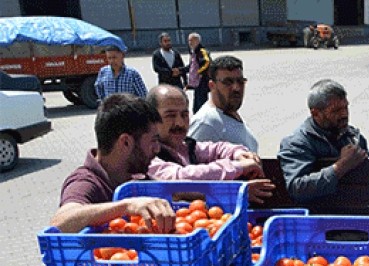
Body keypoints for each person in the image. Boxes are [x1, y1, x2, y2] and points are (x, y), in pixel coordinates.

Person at [50, 94, 174, 234]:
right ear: (125, 142)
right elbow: (59, 223)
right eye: (153, 140)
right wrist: (126, 206)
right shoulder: (85, 182)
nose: (157, 149)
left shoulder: (133, 174)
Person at [145, 85, 275, 204]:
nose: (179, 122)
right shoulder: (146, 156)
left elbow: (216, 148)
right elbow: (180, 178)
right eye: (170, 116)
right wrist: (237, 168)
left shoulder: (184, 147)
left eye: (184, 115)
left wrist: (240, 154)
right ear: (151, 118)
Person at [277, 79, 369, 203]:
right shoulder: (297, 143)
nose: (344, 114)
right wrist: (341, 166)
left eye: (345, 107)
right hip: (316, 216)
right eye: (336, 110)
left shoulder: (353, 137)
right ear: (315, 113)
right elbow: (297, 187)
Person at [188, 55, 258, 153]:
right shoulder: (206, 122)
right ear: (212, 86)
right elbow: (189, 160)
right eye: (228, 82)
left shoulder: (229, 112)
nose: (236, 88)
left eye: (240, 81)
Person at [186, 32, 211, 113]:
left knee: (202, 105)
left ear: (197, 41)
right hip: (196, 83)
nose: (190, 43)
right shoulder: (193, 52)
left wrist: (199, 72)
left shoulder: (202, 51)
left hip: (202, 82)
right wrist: (180, 70)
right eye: (189, 41)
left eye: (191, 41)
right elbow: (191, 67)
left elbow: (207, 63)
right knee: (196, 107)